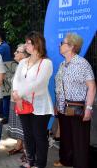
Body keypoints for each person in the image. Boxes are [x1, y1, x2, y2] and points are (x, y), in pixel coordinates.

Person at [12, 31, 54, 168]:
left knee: (39, 136)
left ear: (37, 44)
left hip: (40, 106)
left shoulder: (46, 63)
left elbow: (39, 84)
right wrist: (16, 96)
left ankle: (40, 164)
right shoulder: (23, 62)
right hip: (23, 103)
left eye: (28, 43)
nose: (25, 45)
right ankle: (30, 161)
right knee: (28, 135)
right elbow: (16, 80)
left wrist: (19, 95)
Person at [54, 33, 96, 168]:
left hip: (77, 109)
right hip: (62, 108)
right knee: (66, 138)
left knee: (79, 141)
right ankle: (66, 161)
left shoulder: (82, 63)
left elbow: (92, 87)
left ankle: (81, 164)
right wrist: (57, 105)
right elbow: (59, 87)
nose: (59, 45)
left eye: (62, 43)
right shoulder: (62, 64)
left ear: (71, 46)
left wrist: (88, 109)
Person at [7, 44, 29, 161]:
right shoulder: (19, 65)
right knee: (18, 124)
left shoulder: (27, 66)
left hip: (22, 101)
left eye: (18, 51)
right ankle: (19, 145)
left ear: (25, 55)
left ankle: (27, 150)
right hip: (14, 100)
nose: (15, 53)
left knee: (23, 125)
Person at [0, 31, 12, 124]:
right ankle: (1, 113)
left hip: (5, 73)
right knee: (2, 94)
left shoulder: (3, 47)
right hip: (2, 73)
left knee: (5, 95)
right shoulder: (1, 47)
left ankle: (6, 116)